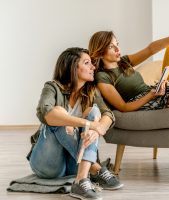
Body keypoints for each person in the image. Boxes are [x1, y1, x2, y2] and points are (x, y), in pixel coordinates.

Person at [27, 47, 123, 200]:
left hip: (75, 163)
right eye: (87, 63)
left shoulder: (91, 91)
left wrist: (96, 129)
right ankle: (96, 169)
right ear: (73, 67)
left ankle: (80, 180)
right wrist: (87, 124)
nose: (93, 67)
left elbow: (108, 115)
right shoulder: (52, 87)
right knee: (58, 112)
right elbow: (45, 113)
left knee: (95, 112)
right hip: (47, 164)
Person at [88, 16, 169, 112]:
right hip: (157, 102)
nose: (117, 49)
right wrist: (152, 95)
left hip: (160, 92)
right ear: (99, 52)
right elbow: (123, 107)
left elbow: (150, 50)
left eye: (117, 44)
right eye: (111, 46)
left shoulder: (123, 62)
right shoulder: (102, 77)